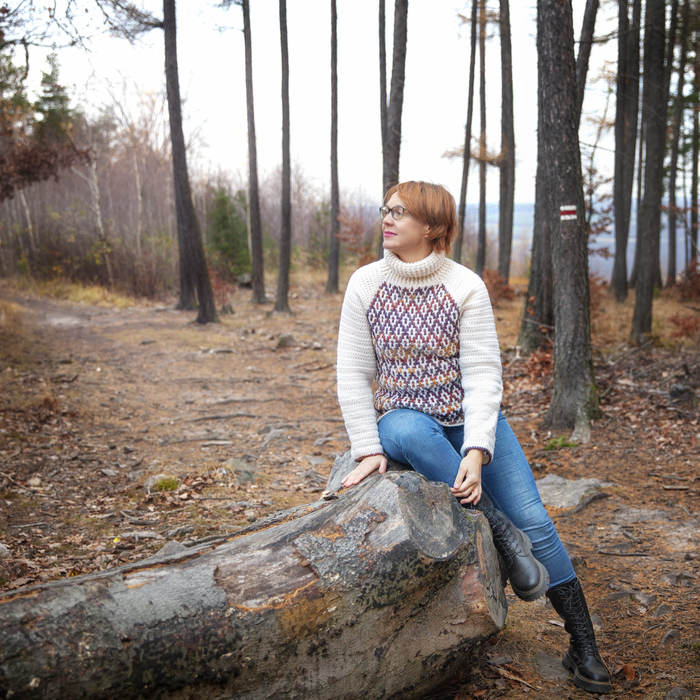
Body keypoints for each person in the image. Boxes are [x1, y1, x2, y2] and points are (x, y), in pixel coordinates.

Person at [336, 181, 612, 695]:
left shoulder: (464, 285)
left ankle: (584, 645)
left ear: (433, 226)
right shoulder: (365, 284)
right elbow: (353, 372)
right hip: (402, 420)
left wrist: (478, 447)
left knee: (537, 520)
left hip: (468, 419)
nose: (387, 218)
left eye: (400, 212)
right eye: (386, 209)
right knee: (410, 428)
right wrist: (367, 447)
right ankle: (501, 531)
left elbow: (483, 373)